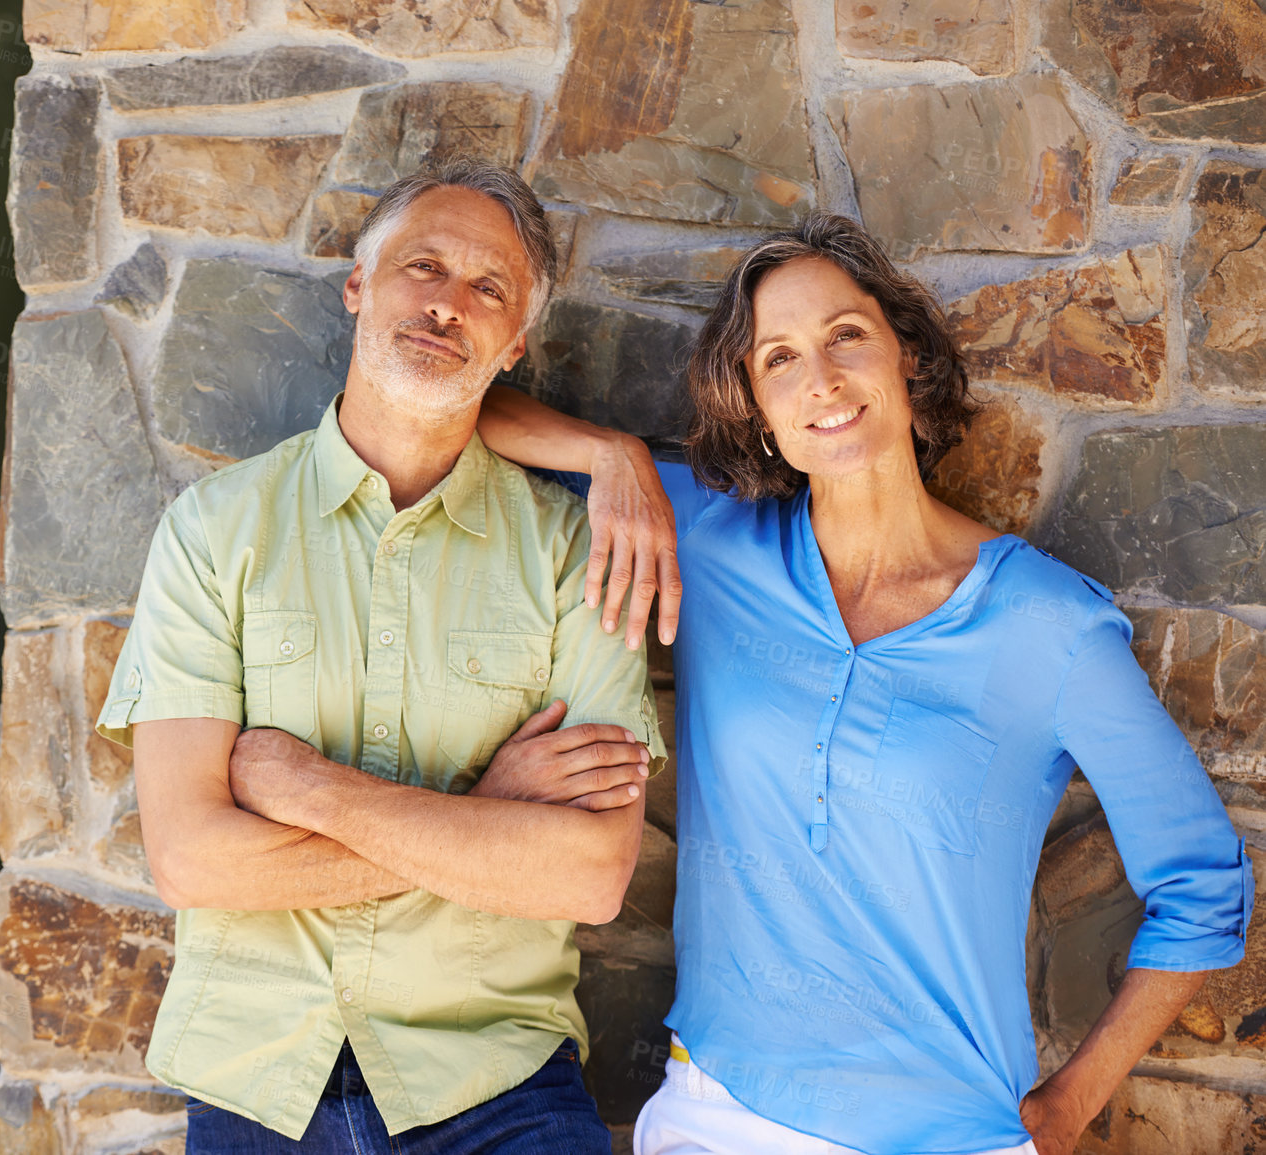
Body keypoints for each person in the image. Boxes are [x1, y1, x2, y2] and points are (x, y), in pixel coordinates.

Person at [475, 211, 1254, 1155]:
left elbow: (1202, 885)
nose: (822, 380)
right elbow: (463, 410)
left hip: (951, 1134)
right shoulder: (712, 542)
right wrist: (613, 455)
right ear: (755, 410)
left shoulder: (1047, 625)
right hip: (719, 1115)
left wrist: (1064, 1110)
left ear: (905, 361)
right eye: (778, 359)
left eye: (846, 335)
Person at [95, 158, 667, 1153]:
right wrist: (488, 823)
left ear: (515, 342)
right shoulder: (214, 532)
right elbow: (189, 857)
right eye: (423, 267)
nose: (449, 306)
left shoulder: (573, 552)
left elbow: (583, 878)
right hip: (257, 1082)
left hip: (496, 1084)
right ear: (359, 286)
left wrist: (305, 789)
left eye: (488, 288)